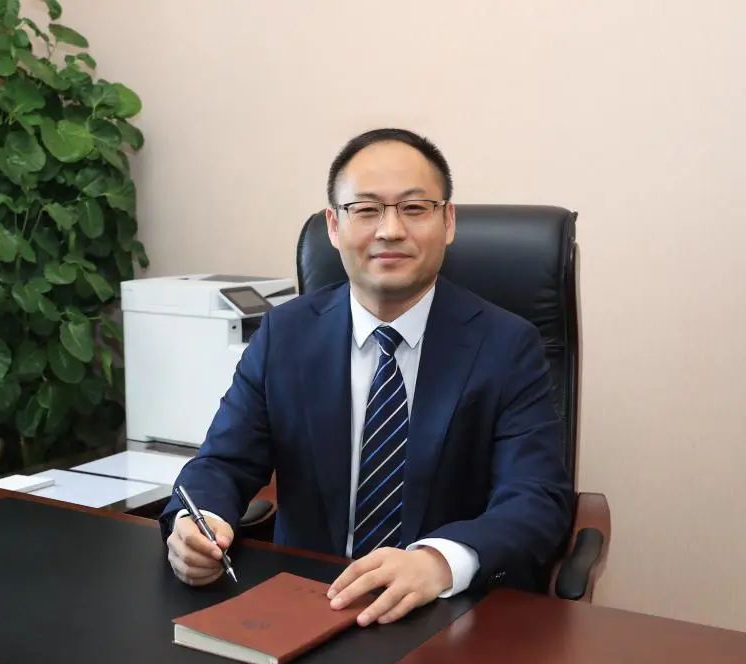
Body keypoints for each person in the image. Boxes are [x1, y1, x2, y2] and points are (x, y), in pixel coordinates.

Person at [160, 128, 573, 627]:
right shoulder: (285, 334)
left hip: (444, 616)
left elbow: (536, 498)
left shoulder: (507, 345)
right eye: (366, 209)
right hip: (307, 605)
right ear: (334, 226)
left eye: (415, 208)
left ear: (448, 222)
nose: (390, 230)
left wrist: (438, 562)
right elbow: (224, 463)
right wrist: (197, 523)